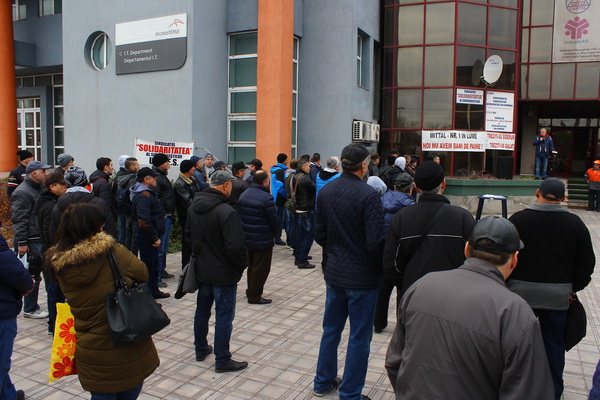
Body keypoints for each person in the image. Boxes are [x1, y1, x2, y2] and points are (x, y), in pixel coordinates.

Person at [386, 216, 553, 399]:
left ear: (466, 249)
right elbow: (529, 391)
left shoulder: (422, 285)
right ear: (514, 260)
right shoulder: (516, 312)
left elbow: (394, 360)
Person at [47, 203, 159, 400]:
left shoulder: (58, 263)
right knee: (129, 391)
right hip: (126, 337)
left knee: (101, 394)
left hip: (91, 346)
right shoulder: (112, 251)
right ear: (95, 226)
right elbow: (142, 273)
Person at [508, 177, 595, 400]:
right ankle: (552, 392)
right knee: (554, 346)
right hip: (557, 298)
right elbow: (586, 263)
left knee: (516, 346)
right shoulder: (575, 224)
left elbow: (504, 253)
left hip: (520, 297)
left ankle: (516, 389)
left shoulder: (519, 220)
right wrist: (571, 288)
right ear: (564, 198)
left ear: (538, 193)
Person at [313, 143, 385, 400]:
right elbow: (375, 241)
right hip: (362, 277)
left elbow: (319, 233)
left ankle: (322, 382)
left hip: (335, 272)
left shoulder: (327, 191)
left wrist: (336, 250)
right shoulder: (368, 196)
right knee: (358, 337)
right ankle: (351, 393)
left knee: (331, 330)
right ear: (364, 165)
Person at [185, 170, 248, 372]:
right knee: (224, 316)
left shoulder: (193, 207)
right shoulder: (227, 211)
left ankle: (200, 348)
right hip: (223, 272)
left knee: (202, 311)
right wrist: (242, 265)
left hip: (203, 269)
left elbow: (188, 236)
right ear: (226, 185)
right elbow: (235, 247)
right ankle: (222, 359)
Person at [383, 160, 475, 299]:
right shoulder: (463, 218)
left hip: (413, 294)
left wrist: (406, 284)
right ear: (443, 184)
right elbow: (473, 260)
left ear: (416, 187)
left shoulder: (402, 217)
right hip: (453, 296)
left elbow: (391, 263)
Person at [374, 173, 415, 333]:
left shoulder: (381, 199)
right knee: (402, 289)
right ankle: (401, 325)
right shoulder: (411, 206)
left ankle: (378, 323)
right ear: (410, 189)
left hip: (382, 249)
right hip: (402, 251)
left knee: (383, 287)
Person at [11, 160, 52, 319]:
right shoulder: (22, 192)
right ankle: (30, 308)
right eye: (43, 171)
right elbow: (19, 219)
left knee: (42, 273)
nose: (45, 174)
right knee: (32, 274)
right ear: (34, 173)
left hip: (40, 237)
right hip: (31, 239)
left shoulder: (39, 187)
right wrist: (22, 242)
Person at [238, 170, 281, 305]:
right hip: (262, 238)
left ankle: (251, 290)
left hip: (247, 237)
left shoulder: (244, 194)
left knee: (252, 266)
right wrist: (276, 233)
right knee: (261, 269)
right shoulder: (266, 198)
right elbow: (274, 220)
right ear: (264, 182)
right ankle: (255, 296)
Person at [0, 231, 33, 400]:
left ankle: (9, 395)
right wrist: (28, 285)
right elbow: (20, 277)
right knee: (1, 363)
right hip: (2, 314)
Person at [34, 172, 68, 335]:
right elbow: (51, 234)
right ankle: (55, 326)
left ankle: (54, 324)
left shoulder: (50, 201)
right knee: (55, 291)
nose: (66, 187)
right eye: (63, 185)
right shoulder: (50, 206)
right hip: (52, 253)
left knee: (55, 291)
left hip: (51, 251)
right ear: (52, 187)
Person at [49, 166, 117, 244]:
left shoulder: (58, 207)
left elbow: (54, 235)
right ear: (86, 181)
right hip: (96, 249)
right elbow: (110, 230)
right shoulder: (98, 203)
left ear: (66, 184)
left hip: (67, 249)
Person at [130, 167, 169, 299]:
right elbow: (143, 221)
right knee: (148, 267)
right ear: (146, 179)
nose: (156, 179)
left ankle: (154, 291)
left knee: (154, 266)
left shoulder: (147, 193)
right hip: (147, 237)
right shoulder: (143, 196)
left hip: (150, 236)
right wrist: (154, 237)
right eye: (153, 177)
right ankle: (148, 296)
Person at [151, 153, 176, 285]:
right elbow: (157, 198)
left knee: (164, 246)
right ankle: (157, 275)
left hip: (167, 215)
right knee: (160, 248)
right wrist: (164, 211)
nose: (169, 164)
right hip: (163, 216)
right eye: (167, 162)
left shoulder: (162, 176)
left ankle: (162, 269)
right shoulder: (157, 178)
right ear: (161, 163)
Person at [290, 159, 316, 269]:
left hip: (298, 208)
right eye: (308, 166)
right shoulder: (305, 179)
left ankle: (298, 256)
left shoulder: (295, 176)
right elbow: (315, 188)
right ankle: (302, 260)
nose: (310, 168)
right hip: (306, 209)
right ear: (303, 167)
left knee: (299, 235)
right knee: (308, 236)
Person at [174, 160, 199, 269]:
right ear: (188, 169)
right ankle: (186, 266)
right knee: (187, 241)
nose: (194, 168)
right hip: (186, 215)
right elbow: (187, 201)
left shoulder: (192, 179)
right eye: (193, 167)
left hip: (194, 213)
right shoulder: (180, 183)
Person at [115, 157, 140, 253]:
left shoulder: (120, 178)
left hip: (124, 209)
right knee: (132, 235)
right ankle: (131, 255)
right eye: (137, 165)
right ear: (132, 167)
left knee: (125, 231)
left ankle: (124, 252)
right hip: (132, 210)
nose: (139, 167)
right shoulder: (133, 179)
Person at [269, 153, 288, 246]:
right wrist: (286, 195)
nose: (287, 161)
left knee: (277, 218)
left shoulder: (275, 170)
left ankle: (276, 237)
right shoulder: (280, 171)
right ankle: (277, 238)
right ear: (283, 161)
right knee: (279, 219)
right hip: (279, 199)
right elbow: (280, 186)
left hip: (275, 197)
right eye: (286, 160)